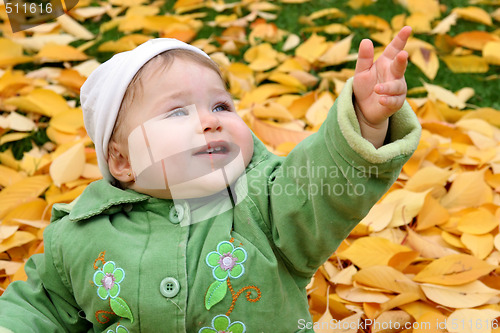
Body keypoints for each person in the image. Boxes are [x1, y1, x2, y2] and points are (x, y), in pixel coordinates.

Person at [0, 26, 420, 332]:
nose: (208, 122)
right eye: (177, 112)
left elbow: (324, 184)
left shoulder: (268, 203)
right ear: (122, 160)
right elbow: (39, 310)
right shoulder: (78, 236)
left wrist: (365, 119)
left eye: (221, 106)